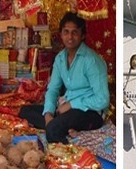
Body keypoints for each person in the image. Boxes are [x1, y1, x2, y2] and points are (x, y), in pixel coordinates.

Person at [19, 12, 109, 144]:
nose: (70, 37)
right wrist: (48, 113)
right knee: (25, 111)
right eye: (66, 32)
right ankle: (60, 127)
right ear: (61, 34)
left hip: (90, 112)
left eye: (74, 32)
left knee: (54, 128)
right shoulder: (60, 58)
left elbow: (102, 100)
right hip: (65, 109)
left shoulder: (91, 61)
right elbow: (53, 89)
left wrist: (72, 104)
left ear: (82, 35)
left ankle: (63, 146)